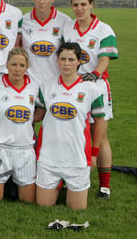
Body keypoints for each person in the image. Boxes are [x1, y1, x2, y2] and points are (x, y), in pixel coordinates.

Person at [61, 0, 118, 199]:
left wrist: (94, 74)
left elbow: (104, 58)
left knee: (99, 136)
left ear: (91, 4)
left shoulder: (103, 29)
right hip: (72, 86)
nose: (79, 8)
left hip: (96, 85)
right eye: (75, 4)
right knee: (71, 132)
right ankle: (69, 178)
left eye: (83, 4)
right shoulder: (67, 27)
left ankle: (104, 185)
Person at [35, 42, 106, 210]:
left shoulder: (91, 89)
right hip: (48, 157)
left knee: (78, 209)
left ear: (79, 61)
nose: (66, 63)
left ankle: (65, 184)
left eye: (71, 59)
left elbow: (100, 122)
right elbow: (37, 116)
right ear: (57, 61)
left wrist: (95, 153)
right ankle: (58, 185)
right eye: (63, 59)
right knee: (43, 205)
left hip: (77, 157)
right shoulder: (46, 86)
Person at [0, 48, 41, 203]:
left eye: (22, 65)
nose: (17, 69)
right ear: (6, 65)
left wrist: (25, 121)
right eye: (13, 64)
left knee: (28, 201)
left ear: (27, 67)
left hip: (25, 149)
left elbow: (40, 110)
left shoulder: (34, 87)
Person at [20, 0, 71, 84]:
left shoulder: (64, 21)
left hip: (55, 81)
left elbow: (70, 53)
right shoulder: (23, 20)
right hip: (30, 82)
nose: (42, 1)